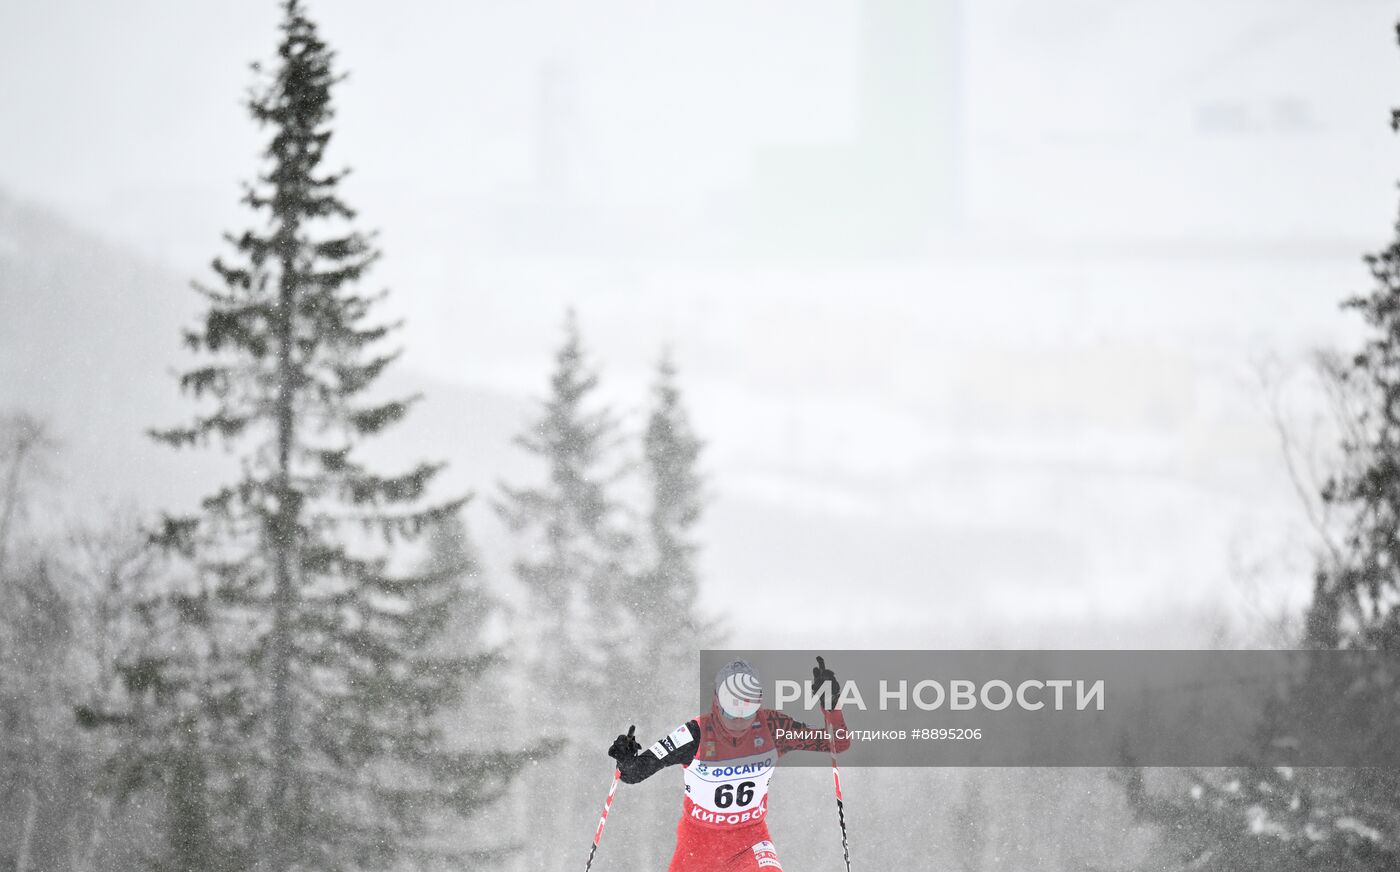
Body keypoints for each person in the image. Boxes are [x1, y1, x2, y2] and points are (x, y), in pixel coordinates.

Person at [608, 657, 850, 872]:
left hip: (750, 842)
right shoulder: (695, 733)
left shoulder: (773, 728)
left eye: (748, 704)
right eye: (732, 703)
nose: (739, 715)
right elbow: (634, 773)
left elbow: (836, 744)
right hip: (696, 849)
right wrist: (626, 758)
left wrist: (832, 705)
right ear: (717, 700)